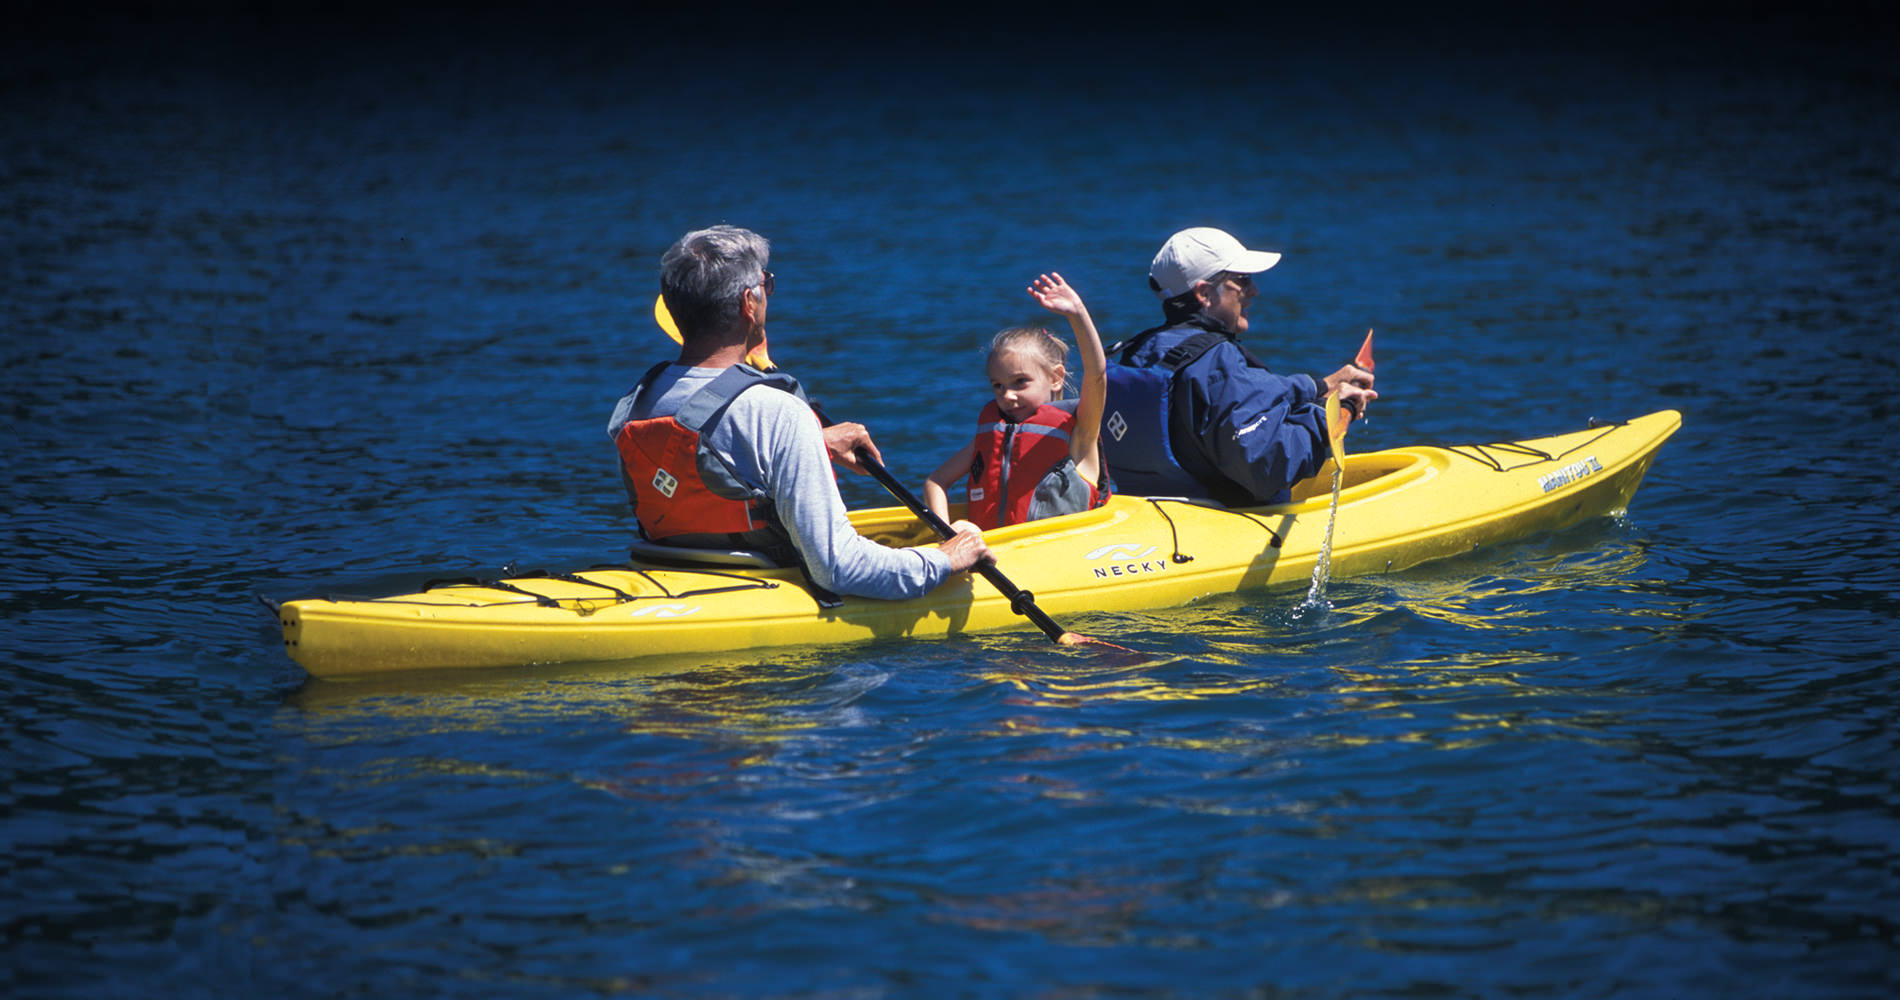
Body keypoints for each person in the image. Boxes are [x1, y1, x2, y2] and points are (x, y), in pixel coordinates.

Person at [606, 225, 989, 600]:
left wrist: (813, 441)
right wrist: (942, 559)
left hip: (669, 568)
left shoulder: (640, 400)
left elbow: (704, 458)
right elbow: (839, 568)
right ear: (748, 303)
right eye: (766, 284)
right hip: (763, 584)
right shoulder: (780, 413)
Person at [1102, 226, 1377, 505]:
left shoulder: (1139, 351)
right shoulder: (1219, 362)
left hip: (1150, 508)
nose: (1254, 291)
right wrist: (1326, 413)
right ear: (1204, 293)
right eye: (1242, 281)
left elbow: (1244, 390)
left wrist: (1318, 387)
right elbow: (1268, 466)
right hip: (1221, 515)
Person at [923, 273, 1110, 530]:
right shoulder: (990, 435)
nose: (1007, 395)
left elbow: (1096, 374)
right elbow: (936, 481)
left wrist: (1077, 313)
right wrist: (948, 535)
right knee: (964, 527)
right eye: (998, 385)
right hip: (998, 547)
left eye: (1020, 382)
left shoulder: (1082, 432)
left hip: (1058, 546)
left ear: (1056, 378)